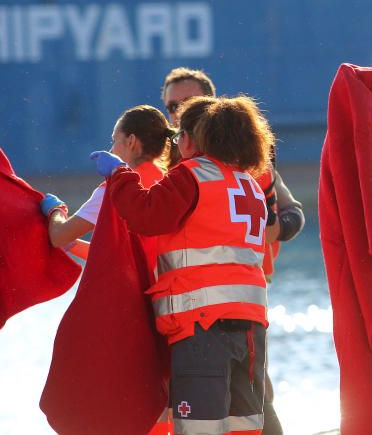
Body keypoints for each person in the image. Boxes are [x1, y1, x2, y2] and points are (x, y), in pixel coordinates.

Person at [91, 95, 274, 435]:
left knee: (199, 427)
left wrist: (119, 174)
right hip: (251, 325)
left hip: (201, 324)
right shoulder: (249, 184)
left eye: (178, 137)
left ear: (191, 138)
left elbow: (146, 215)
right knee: (244, 426)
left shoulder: (192, 175)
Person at [161, 67, 302, 435]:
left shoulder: (249, 161)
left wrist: (266, 232)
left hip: (232, 301)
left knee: (248, 403)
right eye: (171, 106)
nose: (176, 112)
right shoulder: (175, 159)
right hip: (195, 303)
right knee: (240, 404)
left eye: (186, 103)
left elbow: (294, 214)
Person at [39, 105, 172, 260]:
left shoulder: (113, 189)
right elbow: (121, 257)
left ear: (131, 141)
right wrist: (73, 245)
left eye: (114, 140)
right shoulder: (169, 182)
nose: (111, 150)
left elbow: (59, 236)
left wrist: (56, 210)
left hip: (127, 284)